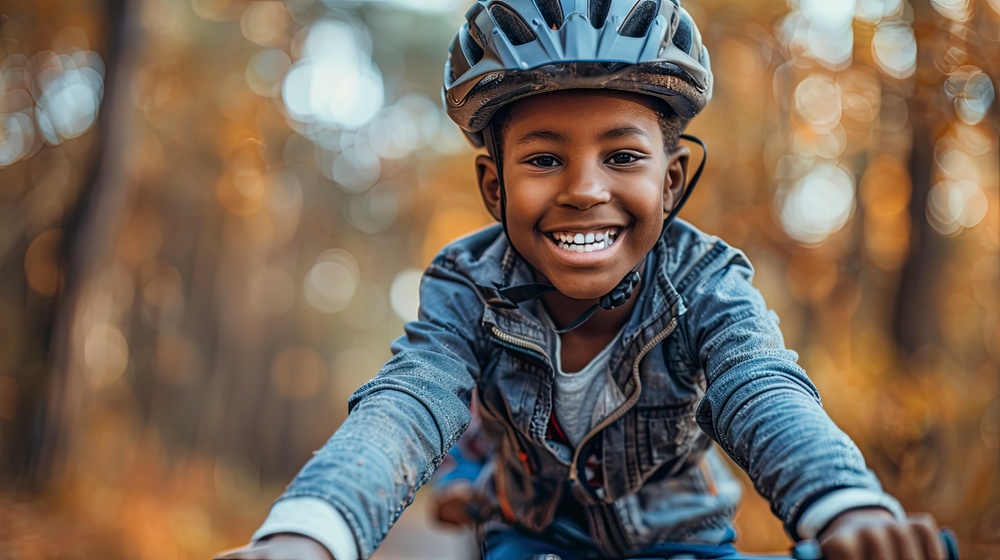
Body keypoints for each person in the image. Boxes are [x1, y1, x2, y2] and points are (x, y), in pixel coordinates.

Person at [215, 1, 947, 559]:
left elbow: (761, 390)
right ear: (494, 188)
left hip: (680, 540)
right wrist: (313, 530)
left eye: (623, 157)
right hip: (531, 537)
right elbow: (409, 402)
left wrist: (845, 509)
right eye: (542, 159)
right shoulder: (467, 288)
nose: (583, 190)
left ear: (672, 180)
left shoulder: (707, 284)